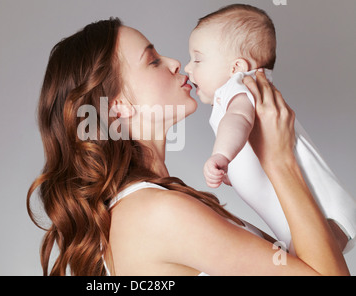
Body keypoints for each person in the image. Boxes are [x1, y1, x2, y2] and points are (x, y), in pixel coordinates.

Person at [27, 17, 350, 275]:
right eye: (152, 61)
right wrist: (279, 161)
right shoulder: (158, 213)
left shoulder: (152, 205)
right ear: (117, 105)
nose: (175, 62)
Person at [184, 4, 356, 253]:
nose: (189, 68)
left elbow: (238, 120)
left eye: (197, 59)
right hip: (311, 219)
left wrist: (221, 156)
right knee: (308, 262)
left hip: (324, 213)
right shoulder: (249, 91)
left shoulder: (241, 86)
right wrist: (234, 171)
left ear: (237, 67)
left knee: (313, 259)